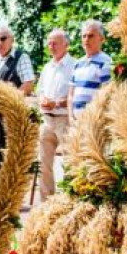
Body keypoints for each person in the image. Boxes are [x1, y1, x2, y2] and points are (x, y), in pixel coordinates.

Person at [0, 25, 35, 179]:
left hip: (12, 113)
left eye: (3, 38)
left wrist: (10, 101)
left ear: (11, 40)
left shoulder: (21, 57)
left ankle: (14, 195)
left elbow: (28, 83)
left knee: (12, 153)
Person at [35, 29, 77, 201]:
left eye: (55, 43)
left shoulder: (74, 65)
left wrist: (57, 103)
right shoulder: (47, 67)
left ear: (66, 45)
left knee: (69, 161)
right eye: (49, 43)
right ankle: (47, 202)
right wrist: (43, 99)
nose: (50, 46)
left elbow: (75, 94)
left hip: (65, 120)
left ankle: (69, 199)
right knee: (43, 163)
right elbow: (40, 91)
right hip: (46, 119)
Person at [68, 19, 111, 121]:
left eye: (91, 36)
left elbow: (107, 93)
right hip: (75, 123)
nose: (86, 39)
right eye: (84, 36)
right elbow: (71, 94)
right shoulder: (77, 63)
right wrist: (70, 117)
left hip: (94, 122)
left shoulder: (106, 62)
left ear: (101, 39)